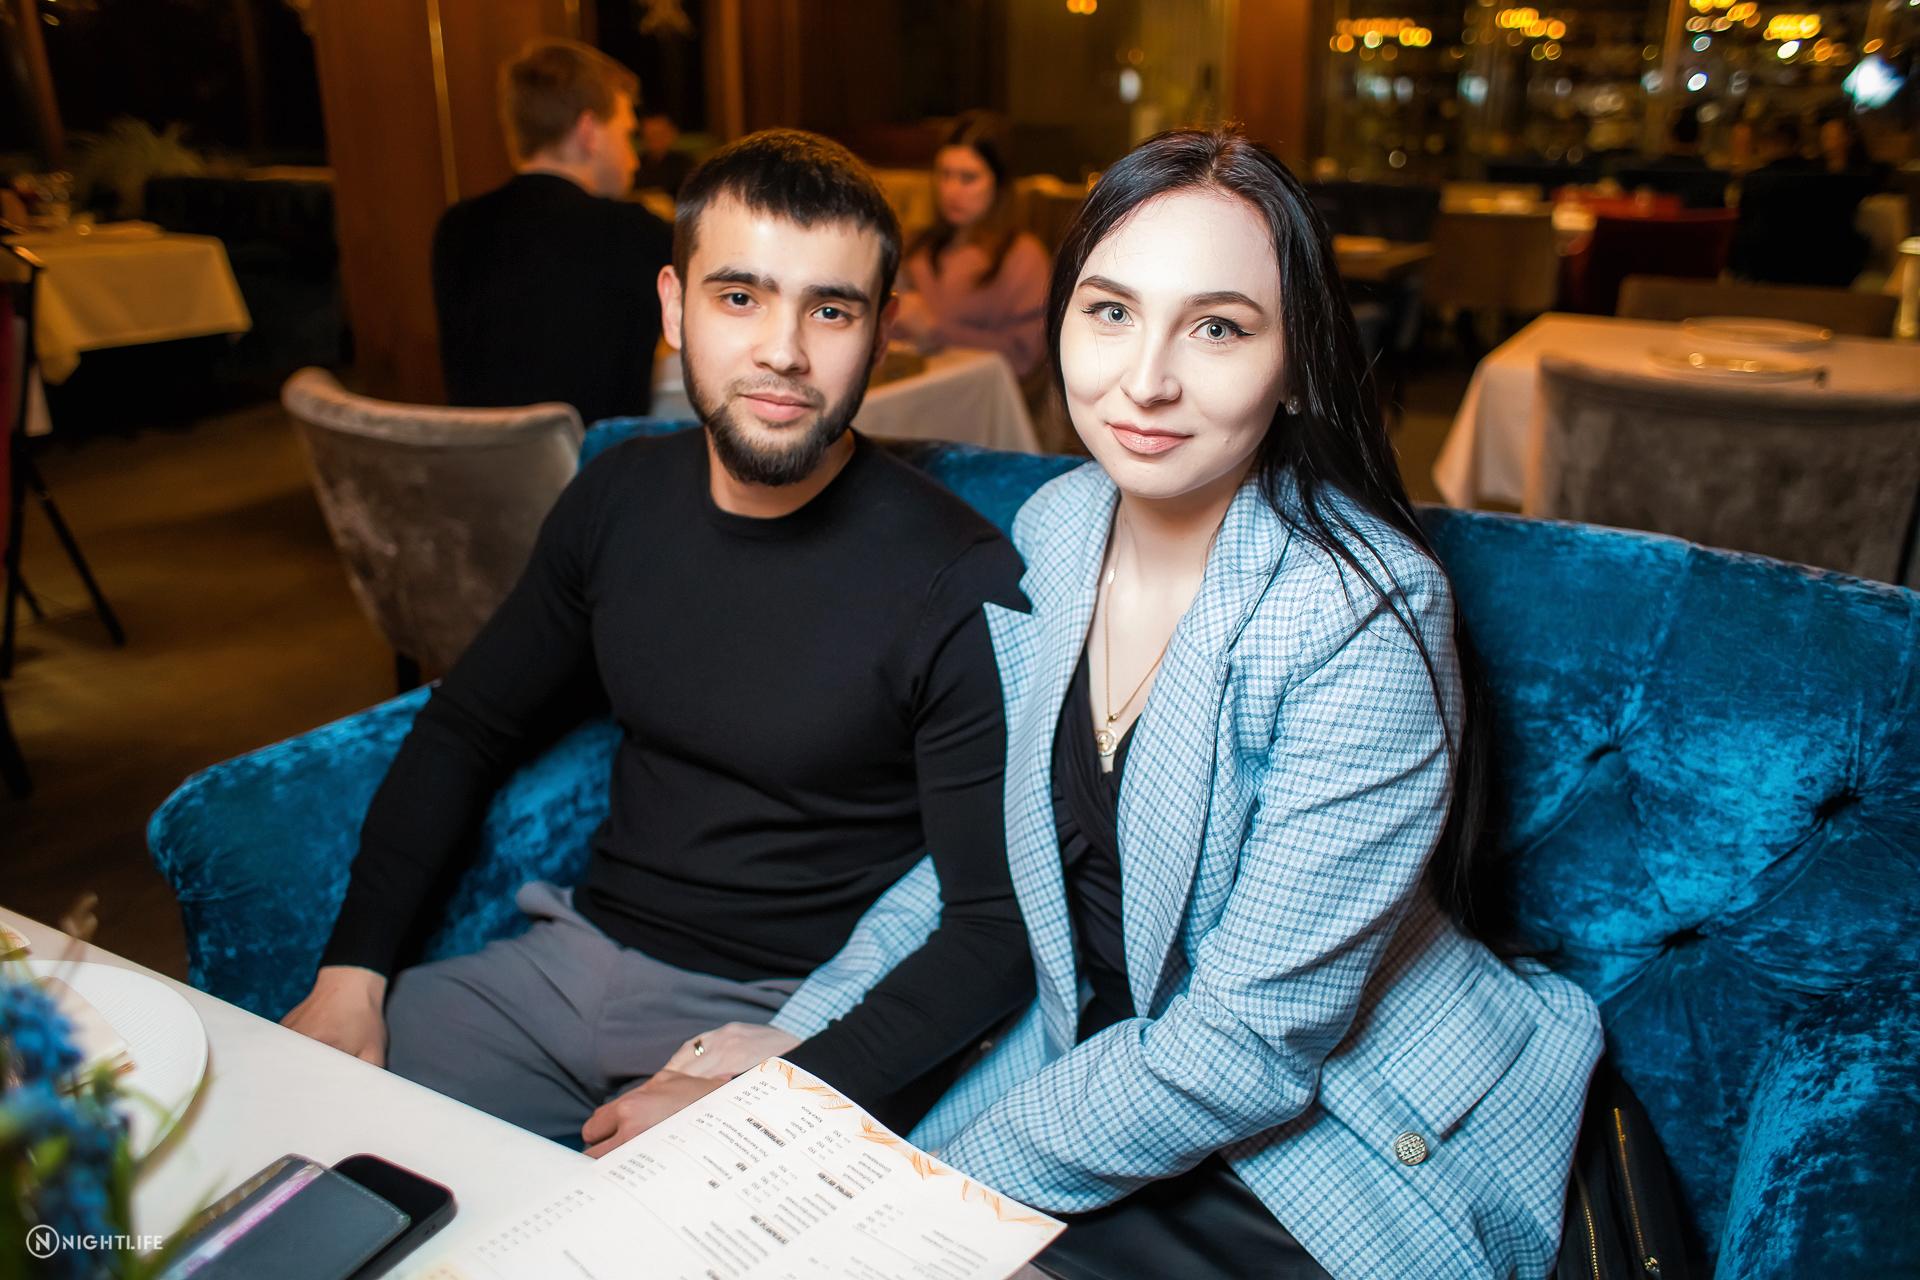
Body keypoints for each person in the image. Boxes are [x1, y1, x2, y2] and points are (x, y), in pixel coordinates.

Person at [669, 129, 1603, 1279]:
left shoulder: (1360, 616)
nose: (1146, 378)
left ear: (1298, 364)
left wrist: (932, 1193)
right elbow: (981, 863)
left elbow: (1247, 1047)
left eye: (1218, 328)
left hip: (1334, 1136)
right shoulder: (1058, 527)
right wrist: (800, 1048)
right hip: (1095, 1065)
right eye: (1111, 311)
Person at [284, 128, 1035, 1156]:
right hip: (560, 967)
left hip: (784, 1012)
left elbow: (995, 929)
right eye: (741, 297)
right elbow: (466, 725)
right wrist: (352, 972)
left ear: (882, 331)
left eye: (830, 309)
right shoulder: (618, 498)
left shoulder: (961, 575)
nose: (783, 350)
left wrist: (788, 1087)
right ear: (675, 309)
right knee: (304, 1134)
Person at [431, 39, 672, 425]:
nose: (634, 158)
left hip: (479, 461)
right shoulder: (634, 233)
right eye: (626, 134)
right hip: (595, 461)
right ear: (589, 132)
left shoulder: (455, 228)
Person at [894, 111, 1050, 379]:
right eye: (944, 175)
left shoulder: (1022, 256)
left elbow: (1024, 357)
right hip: (912, 386)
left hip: (976, 396)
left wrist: (936, 330)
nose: (951, 190)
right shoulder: (916, 247)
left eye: (968, 178)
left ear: (998, 184)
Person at [634, 111, 696, 196]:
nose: (654, 140)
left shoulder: (684, 163)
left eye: (658, 134)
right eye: (648, 136)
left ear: (672, 134)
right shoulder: (635, 163)